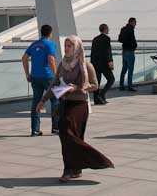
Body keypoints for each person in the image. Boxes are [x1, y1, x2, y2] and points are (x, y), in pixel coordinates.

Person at [36, 35, 114, 183]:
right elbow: (54, 83)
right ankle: (73, 169)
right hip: (65, 103)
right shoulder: (63, 64)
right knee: (66, 137)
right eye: (65, 46)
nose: (66, 49)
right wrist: (42, 100)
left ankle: (94, 160)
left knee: (69, 134)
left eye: (69, 46)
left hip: (79, 105)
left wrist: (77, 88)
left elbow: (95, 85)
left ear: (77, 47)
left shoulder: (86, 65)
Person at [22, 24, 58, 136]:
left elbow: (24, 58)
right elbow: (51, 59)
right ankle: (56, 127)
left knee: (36, 102)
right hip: (48, 77)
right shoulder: (50, 44)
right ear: (50, 33)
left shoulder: (34, 44)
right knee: (55, 100)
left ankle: (35, 129)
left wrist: (27, 74)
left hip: (35, 77)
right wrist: (56, 75)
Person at [90, 23, 115, 105]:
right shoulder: (107, 38)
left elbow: (92, 52)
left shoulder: (95, 39)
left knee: (97, 82)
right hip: (104, 63)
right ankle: (101, 94)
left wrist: (92, 63)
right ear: (105, 29)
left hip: (95, 63)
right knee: (111, 79)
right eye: (107, 28)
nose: (108, 30)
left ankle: (97, 100)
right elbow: (108, 51)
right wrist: (110, 61)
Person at [118, 17, 137, 92]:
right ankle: (130, 86)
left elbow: (119, 39)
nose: (135, 25)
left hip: (124, 51)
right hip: (130, 51)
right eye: (135, 23)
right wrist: (135, 45)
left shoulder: (123, 29)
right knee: (130, 69)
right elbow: (132, 40)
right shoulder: (131, 29)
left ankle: (121, 85)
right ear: (131, 22)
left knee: (124, 69)